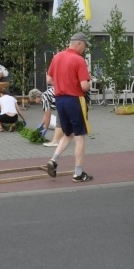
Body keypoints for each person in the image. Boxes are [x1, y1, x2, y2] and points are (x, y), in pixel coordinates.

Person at [45, 33, 93, 182]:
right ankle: (78, 173)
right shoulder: (79, 60)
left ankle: (54, 159)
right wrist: (90, 84)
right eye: (85, 45)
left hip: (59, 100)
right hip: (75, 100)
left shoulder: (57, 56)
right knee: (80, 137)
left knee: (68, 134)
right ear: (79, 43)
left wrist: (62, 84)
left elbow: (49, 79)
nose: (85, 48)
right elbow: (84, 86)